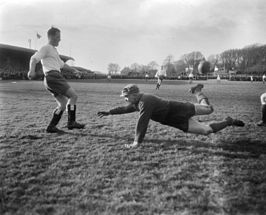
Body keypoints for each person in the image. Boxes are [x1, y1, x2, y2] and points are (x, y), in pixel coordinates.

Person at [97, 84, 245, 148]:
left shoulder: (145, 101)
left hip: (178, 109)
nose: (125, 98)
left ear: (135, 95)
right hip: (172, 120)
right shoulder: (136, 102)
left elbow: (142, 121)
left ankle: (197, 91)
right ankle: (228, 121)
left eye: (127, 96)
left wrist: (136, 142)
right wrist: (110, 112)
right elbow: (124, 108)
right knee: (207, 131)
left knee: (209, 109)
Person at [28, 27, 85, 133]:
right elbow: (33, 58)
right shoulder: (46, 48)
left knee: (63, 105)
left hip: (50, 79)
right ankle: (71, 122)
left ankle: (51, 127)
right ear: (52, 37)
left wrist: (74, 70)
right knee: (73, 96)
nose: (60, 39)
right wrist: (31, 71)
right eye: (58, 37)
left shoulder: (53, 50)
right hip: (54, 76)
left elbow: (62, 64)